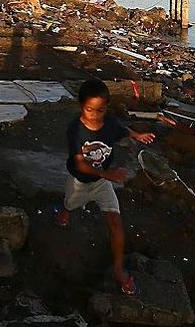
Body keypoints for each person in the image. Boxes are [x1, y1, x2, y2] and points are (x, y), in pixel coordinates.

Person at [57, 78, 155, 295]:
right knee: (71, 203)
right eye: (89, 109)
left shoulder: (110, 122)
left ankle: (118, 269)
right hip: (80, 181)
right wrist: (108, 173)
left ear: (107, 108)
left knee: (115, 222)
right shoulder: (76, 130)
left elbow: (123, 130)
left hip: (102, 183)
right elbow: (80, 163)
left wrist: (138, 135)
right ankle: (65, 209)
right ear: (81, 106)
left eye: (100, 110)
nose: (94, 114)